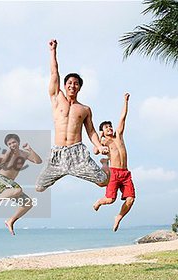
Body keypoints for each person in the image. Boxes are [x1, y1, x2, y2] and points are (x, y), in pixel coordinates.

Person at [36, 39, 109, 191]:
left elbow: (91, 131)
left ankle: (103, 165)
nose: (72, 85)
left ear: (79, 88)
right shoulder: (57, 98)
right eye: (69, 83)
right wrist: (53, 52)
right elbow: (54, 72)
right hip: (58, 153)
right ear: (64, 85)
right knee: (39, 187)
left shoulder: (85, 109)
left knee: (103, 181)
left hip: (77, 153)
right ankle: (61, 171)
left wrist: (100, 146)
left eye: (76, 83)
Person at [0, 133, 42, 235]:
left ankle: (10, 221)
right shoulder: (7, 155)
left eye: (14, 142)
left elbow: (38, 161)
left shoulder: (24, 154)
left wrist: (30, 149)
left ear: (18, 142)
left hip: (10, 185)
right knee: (18, 190)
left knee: (28, 203)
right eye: (9, 144)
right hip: (1, 180)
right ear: (8, 146)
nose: (12, 145)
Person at [93, 93, 136, 232]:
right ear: (103, 132)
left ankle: (118, 217)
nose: (110, 128)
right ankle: (100, 201)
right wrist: (100, 139)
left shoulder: (119, 136)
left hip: (125, 173)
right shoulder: (104, 141)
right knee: (110, 200)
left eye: (110, 126)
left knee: (131, 199)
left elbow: (123, 117)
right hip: (114, 173)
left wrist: (125, 101)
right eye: (106, 127)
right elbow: (95, 151)